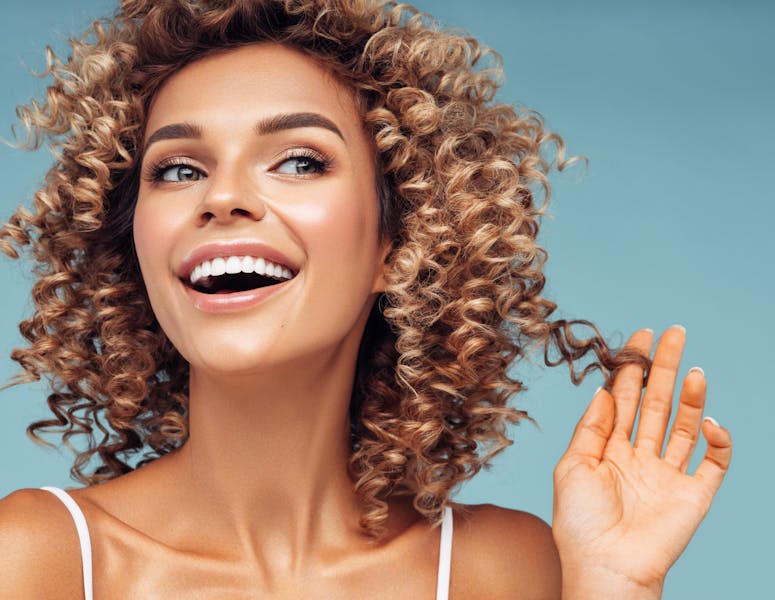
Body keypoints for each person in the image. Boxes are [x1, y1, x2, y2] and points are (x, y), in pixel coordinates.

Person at [0, 1, 732, 598]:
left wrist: (613, 590)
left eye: (299, 160)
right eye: (179, 169)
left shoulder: (501, 570)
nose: (222, 197)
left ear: (396, 246)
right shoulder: (37, 558)